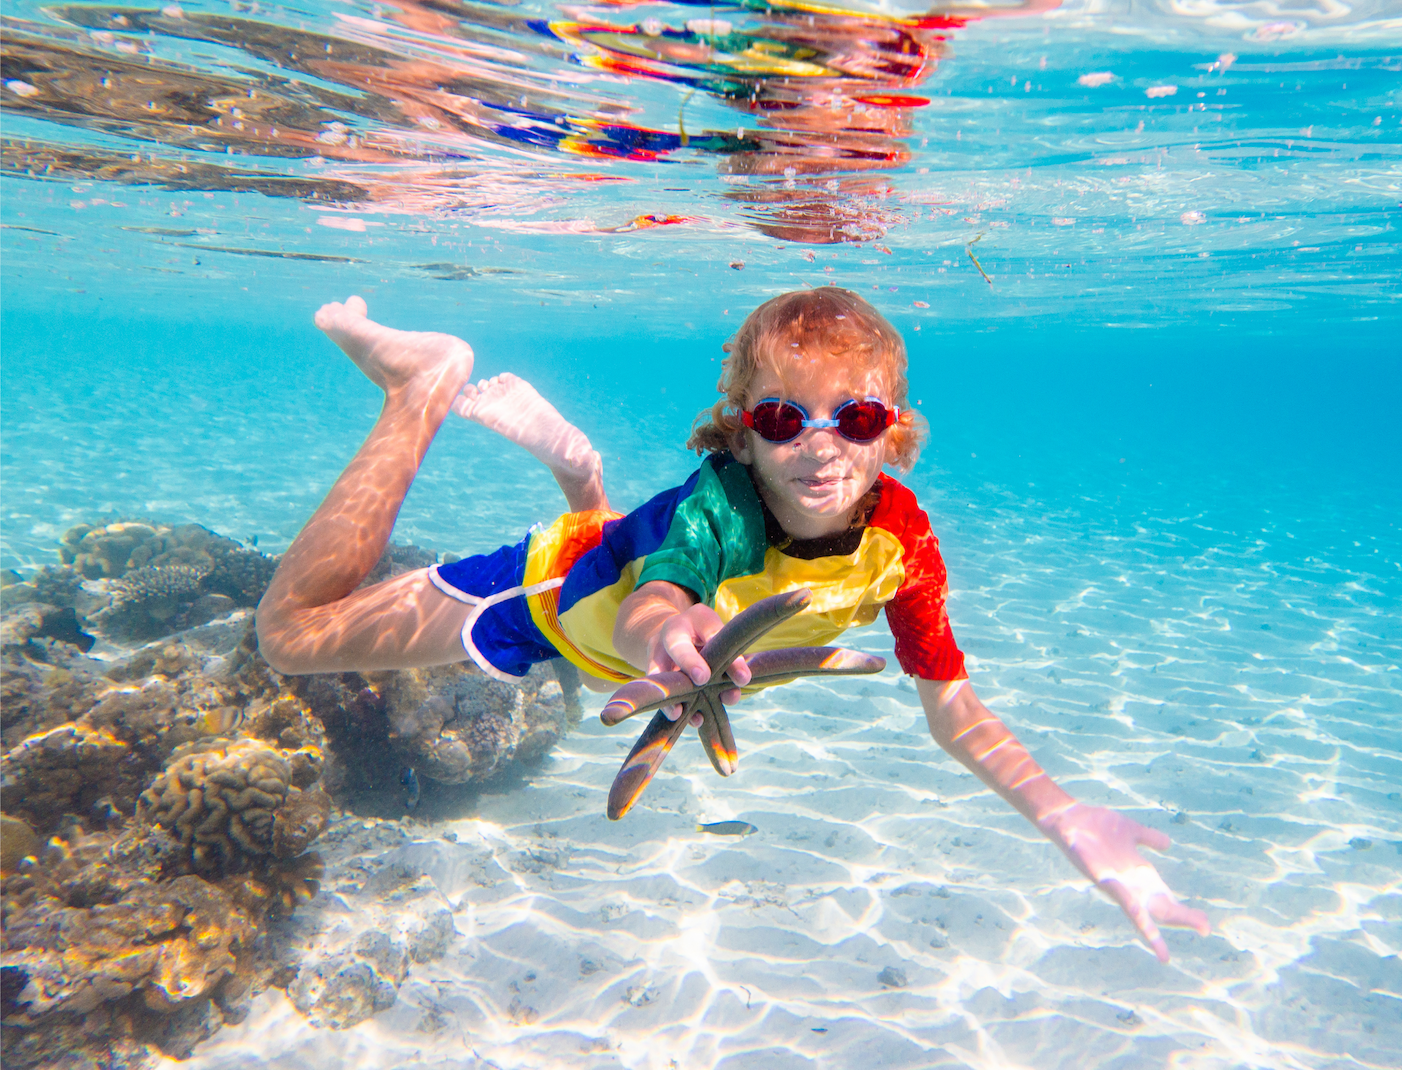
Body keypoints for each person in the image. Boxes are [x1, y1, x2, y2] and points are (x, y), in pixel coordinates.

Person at [256, 288, 1210, 961]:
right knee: (291, 636)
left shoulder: (905, 546)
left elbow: (952, 710)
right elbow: (656, 599)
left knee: (614, 561)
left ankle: (582, 476)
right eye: (784, 417)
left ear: (896, 428)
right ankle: (424, 386)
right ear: (743, 430)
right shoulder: (714, 511)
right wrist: (670, 642)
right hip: (557, 598)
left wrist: (1061, 812)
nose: (822, 444)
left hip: (640, 612)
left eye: (859, 415)